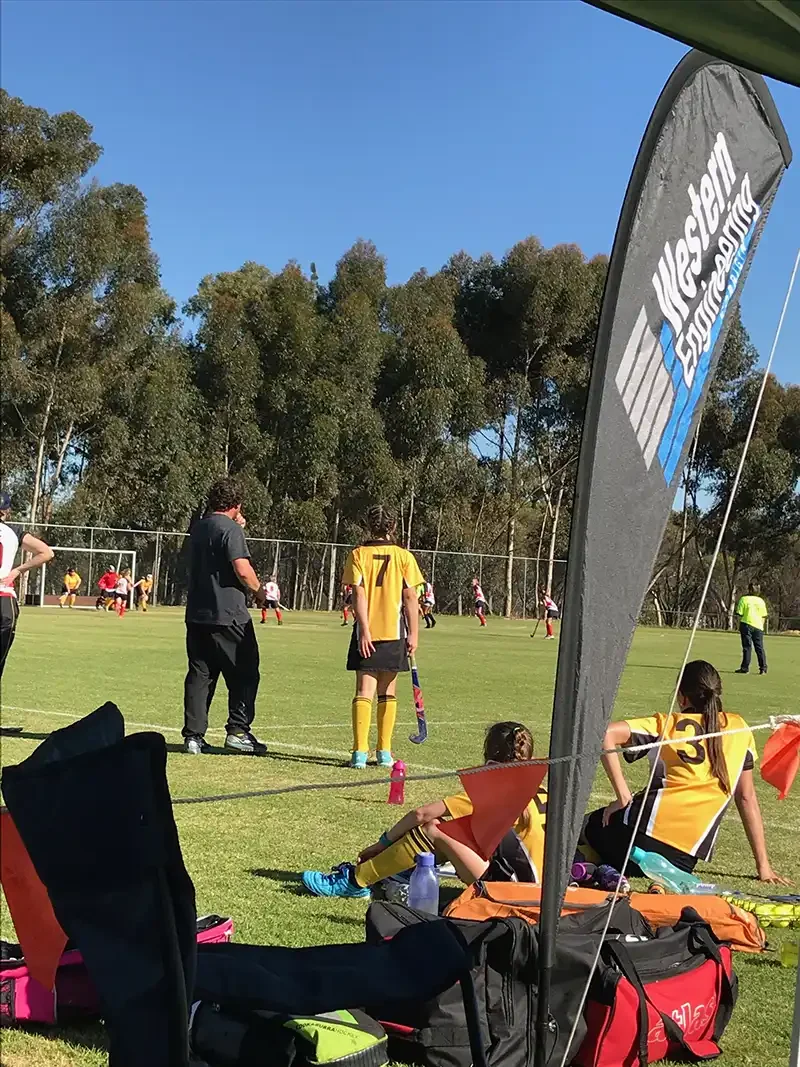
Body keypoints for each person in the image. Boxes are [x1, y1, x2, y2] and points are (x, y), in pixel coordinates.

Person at [583, 660, 789, 884]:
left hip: (636, 840)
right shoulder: (740, 727)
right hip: (681, 861)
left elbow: (606, 734)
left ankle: (588, 863)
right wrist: (764, 867)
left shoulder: (668, 724)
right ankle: (597, 863)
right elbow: (746, 797)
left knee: (581, 826)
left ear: (682, 697)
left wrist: (623, 797)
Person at [301, 722, 547, 898]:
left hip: (519, 892)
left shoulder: (499, 788)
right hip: (548, 888)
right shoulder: (543, 788)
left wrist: (382, 844)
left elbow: (422, 814)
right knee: (459, 830)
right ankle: (401, 874)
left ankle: (357, 880)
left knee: (434, 829)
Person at [182, 478, 267, 756]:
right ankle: (238, 732)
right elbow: (242, 569)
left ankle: (193, 737)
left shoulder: (198, 528)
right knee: (245, 672)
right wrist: (260, 592)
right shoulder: (230, 529)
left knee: (200, 675)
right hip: (229, 615)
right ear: (237, 505)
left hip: (197, 614)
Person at [343, 504, 423, 769]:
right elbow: (411, 596)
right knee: (387, 692)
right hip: (393, 632)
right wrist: (414, 634)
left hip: (366, 633)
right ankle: (384, 751)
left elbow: (359, 592)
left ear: (369, 525)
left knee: (363, 691)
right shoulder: (404, 556)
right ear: (393, 527)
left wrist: (364, 629)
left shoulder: (357, 555)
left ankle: (359, 753)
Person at [0, 491, 54, 676]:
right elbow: (46, 553)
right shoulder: (14, 532)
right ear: (6, 511)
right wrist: (17, 571)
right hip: (4, 600)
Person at [735, 583, 768, 675]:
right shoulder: (761, 601)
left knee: (747, 647)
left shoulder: (744, 599)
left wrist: (739, 625)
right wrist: (761, 627)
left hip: (746, 624)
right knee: (760, 648)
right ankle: (763, 668)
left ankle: (745, 668)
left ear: (749, 590)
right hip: (758, 626)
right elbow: (763, 616)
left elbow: (739, 614)